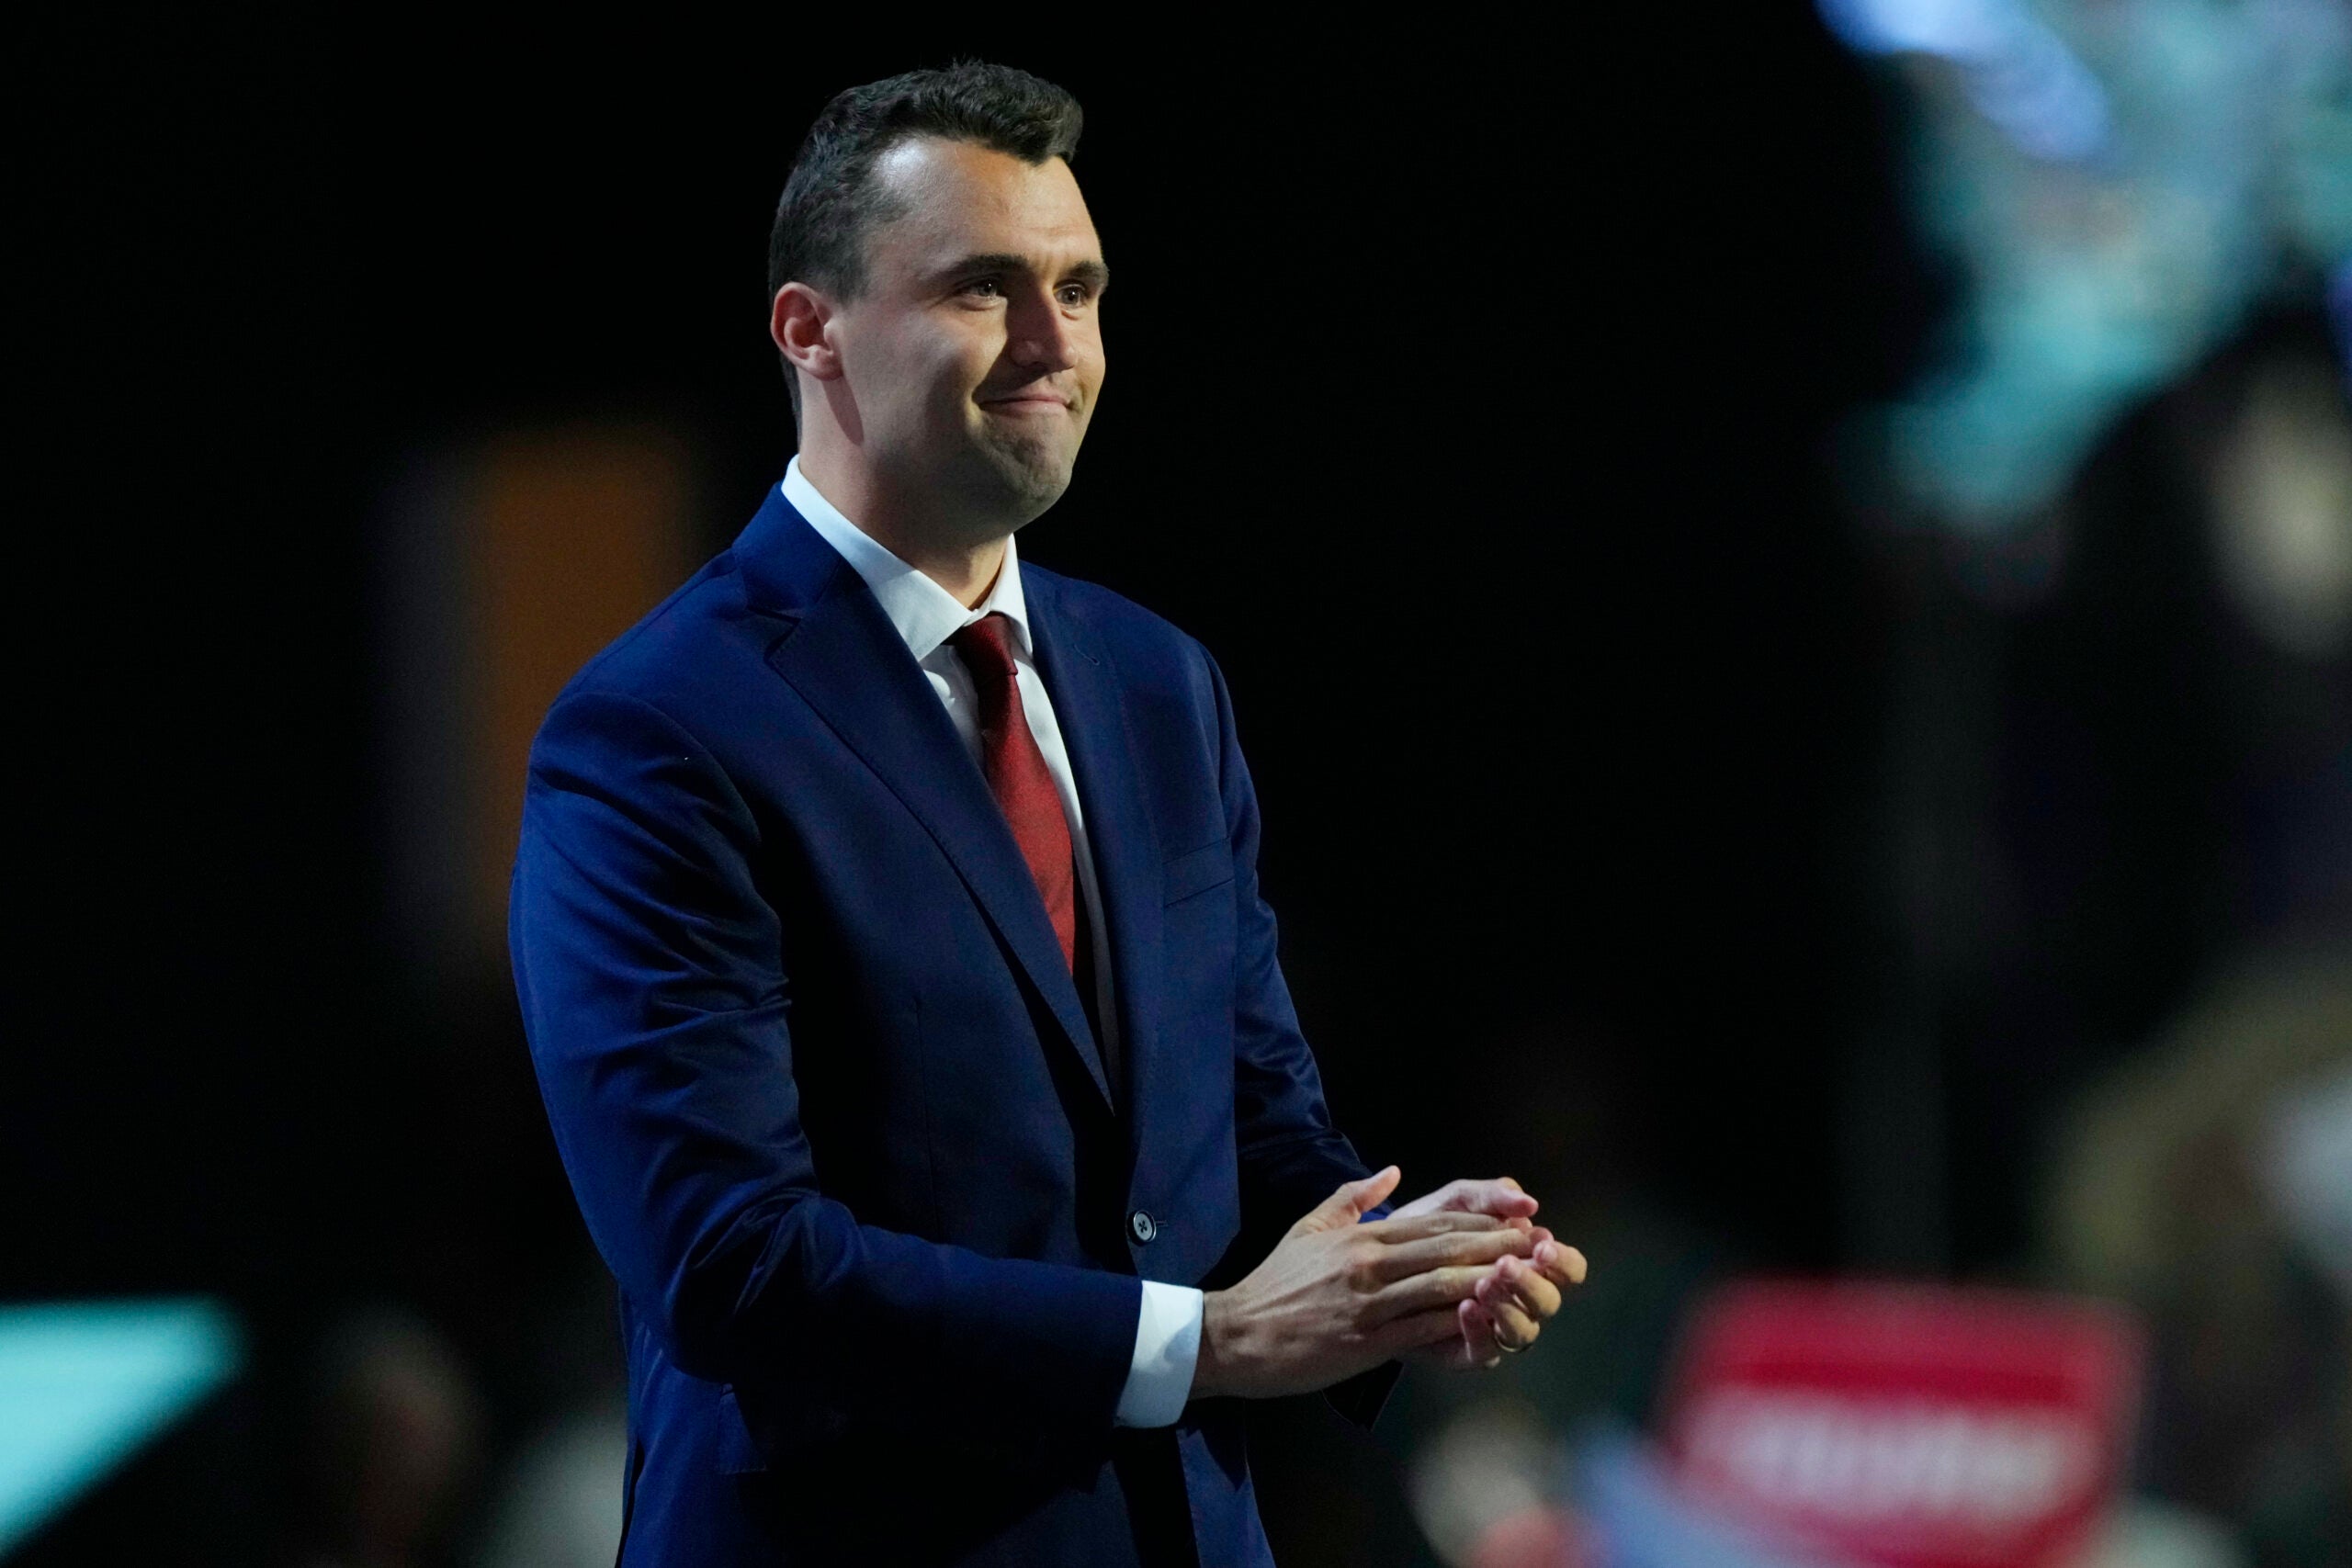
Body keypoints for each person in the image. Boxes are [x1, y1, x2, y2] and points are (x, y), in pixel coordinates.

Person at [508, 62, 1587, 1567]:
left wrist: (1395, 1267)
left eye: (1078, 289)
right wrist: (1201, 1344)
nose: (1051, 344)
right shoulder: (655, 733)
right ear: (810, 331)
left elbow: (1255, 1123)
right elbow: (731, 1266)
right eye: (982, 288)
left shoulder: (1159, 682)